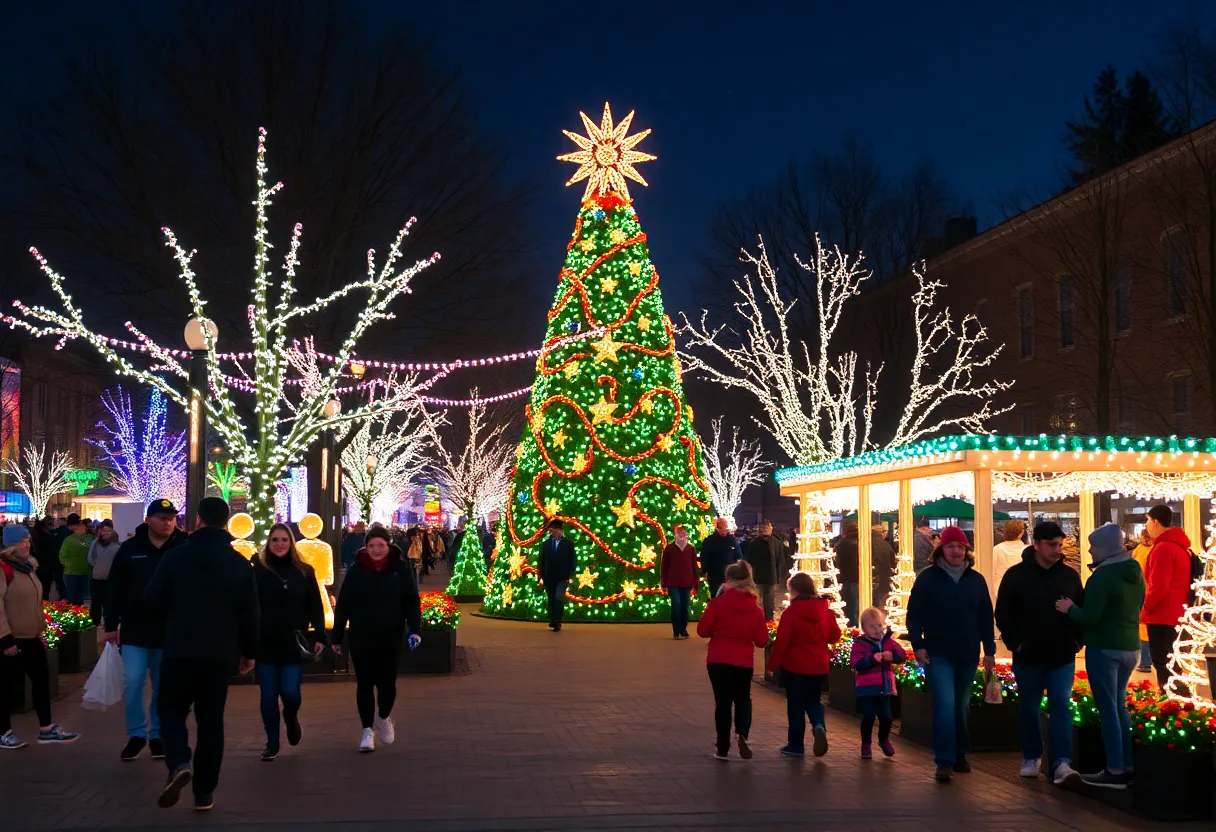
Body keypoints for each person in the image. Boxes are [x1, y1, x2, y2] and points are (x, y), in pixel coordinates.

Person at [146, 497, 259, 812]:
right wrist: (249, 652)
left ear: (198, 520)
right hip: (220, 654)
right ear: (226, 523)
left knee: (170, 711)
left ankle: (180, 761)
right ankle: (204, 792)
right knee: (211, 722)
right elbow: (251, 613)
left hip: (180, 649)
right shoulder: (238, 563)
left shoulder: (175, 557)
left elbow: (152, 599)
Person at [1055, 523, 1145, 790]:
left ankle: (1115, 770)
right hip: (1130, 646)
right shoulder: (1134, 571)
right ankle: (1127, 764)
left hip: (1104, 648)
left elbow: (1090, 617)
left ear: (1104, 548)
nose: (1090, 550)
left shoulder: (1102, 578)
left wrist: (1069, 608)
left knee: (1108, 710)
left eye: (1093, 545)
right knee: (1120, 707)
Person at [993, 521, 1084, 786]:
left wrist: (1078, 641)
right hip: (1029, 655)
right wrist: (1016, 644)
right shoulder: (1017, 576)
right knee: (1030, 708)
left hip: (1062, 655)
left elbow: (1081, 608)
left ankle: (1061, 762)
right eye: (1051, 544)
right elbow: (1004, 613)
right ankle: (1032, 755)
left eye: (1059, 544)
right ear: (1036, 544)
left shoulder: (1069, 575)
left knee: (1061, 707)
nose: (1057, 550)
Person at [905, 525, 996, 784]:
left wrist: (989, 650)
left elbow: (984, 616)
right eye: (950, 546)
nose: (955, 550)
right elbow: (914, 615)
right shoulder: (929, 578)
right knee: (945, 703)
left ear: (967, 549)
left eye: (959, 546)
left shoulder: (975, 580)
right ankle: (944, 760)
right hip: (937, 652)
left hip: (967, 652)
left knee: (961, 704)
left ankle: (960, 753)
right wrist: (918, 644)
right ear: (941, 550)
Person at [103, 499, 188, 762]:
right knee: (133, 681)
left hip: (170, 631)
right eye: (162, 517)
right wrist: (110, 625)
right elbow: (114, 587)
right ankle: (137, 734)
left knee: (164, 687)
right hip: (135, 630)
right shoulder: (130, 549)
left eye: (172, 517)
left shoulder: (183, 547)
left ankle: (158, 735)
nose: (168, 522)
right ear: (148, 519)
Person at [332, 526, 421, 752]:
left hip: (391, 635)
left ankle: (384, 716)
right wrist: (337, 635)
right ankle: (367, 731)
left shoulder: (399, 569)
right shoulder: (356, 570)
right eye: (371, 546)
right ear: (366, 547)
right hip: (362, 635)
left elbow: (411, 601)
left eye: (380, 545)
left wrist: (414, 629)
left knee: (387, 683)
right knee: (364, 682)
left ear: (388, 545)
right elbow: (344, 605)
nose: (376, 550)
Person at [251, 524, 327, 761]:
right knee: (268, 696)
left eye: (284, 539)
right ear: (269, 543)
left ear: (291, 542)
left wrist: (320, 637)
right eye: (275, 540)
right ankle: (272, 742)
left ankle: (291, 716)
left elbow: (315, 605)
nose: (280, 544)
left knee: (291, 692)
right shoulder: (258, 571)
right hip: (265, 643)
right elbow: (247, 606)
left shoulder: (304, 571)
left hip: (293, 643)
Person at [1, 524, 79, 749]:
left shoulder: (27, 568)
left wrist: (42, 629)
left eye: (27, 540)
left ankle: (46, 728)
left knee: (41, 682)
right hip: (11, 639)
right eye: (19, 541)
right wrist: (5, 638)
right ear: (9, 545)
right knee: (5, 687)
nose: (25, 545)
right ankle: (4, 732)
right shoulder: (4, 568)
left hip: (31, 637)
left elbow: (34, 602)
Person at [696, 561, 768, 761]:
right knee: (743, 699)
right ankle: (742, 734)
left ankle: (722, 747)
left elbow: (702, 631)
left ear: (728, 580)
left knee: (723, 703)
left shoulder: (717, 603)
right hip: (743, 661)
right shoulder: (756, 609)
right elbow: (762, 641)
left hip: (718, 659)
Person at [769, 572, 841, 758]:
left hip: (795, 666)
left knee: (796, 705)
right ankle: (818, 725)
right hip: (819, 665)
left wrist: (772, 665)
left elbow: (782, 642)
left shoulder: (791, 613)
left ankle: (796, 745)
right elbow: (835, 636)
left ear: (794, 590)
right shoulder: (825, 611)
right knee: (813, 700)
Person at [1140, 505, 1192, 692]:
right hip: (1178, 614)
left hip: (1162, 616)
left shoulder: (1163, 548)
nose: (1146, 526)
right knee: (1175, 664)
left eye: (1147, 520)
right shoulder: (1180, 547)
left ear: (1155, 521)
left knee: (1163, 663)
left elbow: (1158, 587)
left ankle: (1169, 702)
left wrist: (1144, 609)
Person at [850, 607, 906, 760]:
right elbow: (856, 663)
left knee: (886, 717)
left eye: (879, 626)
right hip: (867, 689)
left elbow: (902, 656)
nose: (877, 630)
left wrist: (892, 656)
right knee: (868, 717)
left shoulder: (888, 642)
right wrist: (871, 659)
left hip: (885, 688)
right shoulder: (860, 644)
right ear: (864, 628)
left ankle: (884, 739)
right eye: (872, 626)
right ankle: (866, 743)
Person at [660, 524, 698, 639]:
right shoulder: (670, 549)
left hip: (687, 582)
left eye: (684, 534)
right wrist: (664, 583)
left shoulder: (691, 549)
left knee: (684, 606)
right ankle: (676, 630)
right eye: (679, 534)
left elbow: (694, 566)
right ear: (676, 535)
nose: (682, 537)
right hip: (673, 582)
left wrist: (696, 583)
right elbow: (664, 566)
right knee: (676, 604)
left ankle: (683, 628)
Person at [538, 519, 576, 631]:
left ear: (559, 530)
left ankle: (558, 620)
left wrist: (570, 575)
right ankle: (553, 620)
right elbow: (541, 561)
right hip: (549, 576)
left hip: (562, 577)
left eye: (553, 531)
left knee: (558, 598)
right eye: (550, 531)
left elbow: (572, 560)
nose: (551, 533)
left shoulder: (568, 544)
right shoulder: (545, 545)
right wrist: (541, 577)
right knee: (551, 599)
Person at [745, 519, 783, 621]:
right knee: (756, 601)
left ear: (771, 528)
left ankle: (768, 621)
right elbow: (750, 560)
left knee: (769, 602)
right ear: (761, 530)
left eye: (767, 527)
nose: (766, 530)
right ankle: (756, 620)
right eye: (764, 528)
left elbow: (780, 561)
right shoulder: (754, 543)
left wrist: (779, 577)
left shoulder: (777, 543)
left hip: (771, 577)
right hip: (758, 577)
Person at [87, 520, 121, 626]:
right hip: (97, 577)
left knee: (109, 602)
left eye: (108, 530)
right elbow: (91, 558)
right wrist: (98, 565)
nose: (106, 533)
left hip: (110, 579)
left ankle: (109, 622)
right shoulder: (95, 543)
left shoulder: (116, 545)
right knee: (96, 601)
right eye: (104, 530)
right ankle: (95, 621)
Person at [58, 514, 94, 606]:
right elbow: (62, 555)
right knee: (73, 598)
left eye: (82, 525)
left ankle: (77, 615)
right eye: (78, 525)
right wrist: (68, 564)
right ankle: (72, 615)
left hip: (84, 572)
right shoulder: (69, 539)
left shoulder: (90, 538)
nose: (81, 527)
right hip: (72, 572)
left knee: (80, 597)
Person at [1130, 528, 1153, 672]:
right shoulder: (1154, 549)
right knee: (1144, 626)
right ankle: (1146, 660)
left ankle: (1145, 661)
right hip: (1146, 590)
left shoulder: (1140, 549)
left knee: (1142, 626)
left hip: (1142, 591)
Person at [699, 518, 739, 599]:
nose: (726, 531)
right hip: (715, 576)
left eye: (726, 528)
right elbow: (704, 557)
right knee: (716, 597)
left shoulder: (732, 540)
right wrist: (704, 572)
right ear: (718, 528)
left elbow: (738, 556)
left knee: (730, 598)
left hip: (730, 576)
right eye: (724, 528)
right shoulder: (709, 541)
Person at [991, 519, 1027, 596]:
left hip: (999, 590)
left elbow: (991, 572)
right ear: (1021, 533)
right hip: (1022, 591)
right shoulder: (1026, 551)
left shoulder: (997, 549)